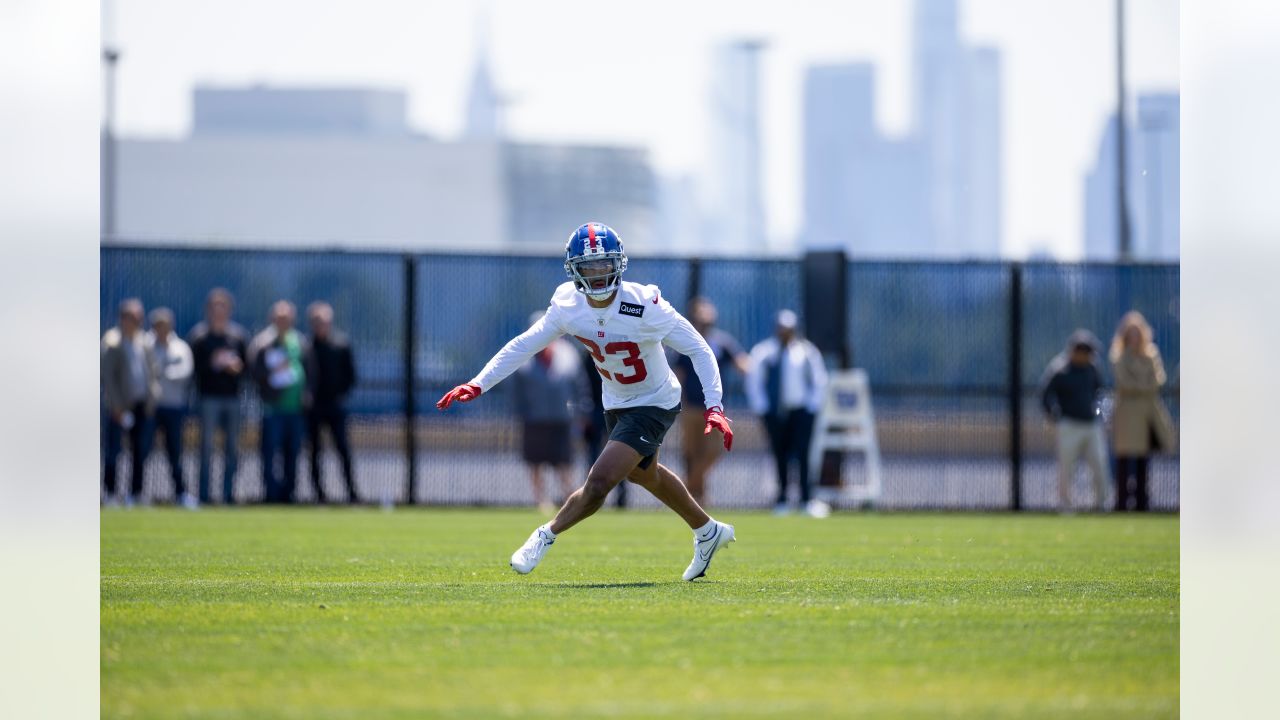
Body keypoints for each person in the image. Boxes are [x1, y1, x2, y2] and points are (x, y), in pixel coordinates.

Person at [436, 222, 736, 581]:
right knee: (645, 474)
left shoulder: (645, 304)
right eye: (589, 267)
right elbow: (524, 344)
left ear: (619, 265)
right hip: (617, 401)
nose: (597, 274)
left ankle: (543, 536)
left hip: (655, 400)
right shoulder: (567, 305)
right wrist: (479, 383)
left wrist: (715, 405)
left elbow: (699, 349)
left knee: (600, 481)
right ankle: (708, 531)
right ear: (574, 269)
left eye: (604, 265)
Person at [745, 310, 830, 517]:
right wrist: (763, 409)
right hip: (775, 412)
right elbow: (754, 383)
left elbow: (819, 381)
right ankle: (781, 499)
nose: (785, 333)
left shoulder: (807, 352)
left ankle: (806, 499)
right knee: (779, 455)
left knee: (803, 454)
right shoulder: (764, 352)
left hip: (801, 411)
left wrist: (811, 408)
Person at [669, 296, 750, 505]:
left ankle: (685, 489)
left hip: (713, 408)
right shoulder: (685, 341)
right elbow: (678, 375)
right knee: (691, 453)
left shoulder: (721, 341)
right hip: (691, 408)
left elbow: (742, 363)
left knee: (714, 450)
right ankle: (698, 497)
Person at [513, 311, 587, 513]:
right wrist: (520, 413)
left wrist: (582, 411)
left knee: (564, 461)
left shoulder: (568, 353)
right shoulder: (523, 356)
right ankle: (541, 500)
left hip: (562, 418)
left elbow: (579, 386)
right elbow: (517, 391)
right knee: (535, 462)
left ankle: (570, 498)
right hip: (534, 419)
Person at [1109, 311, 1176, 511]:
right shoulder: (1119, 356)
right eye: (1131, 333)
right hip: (1127, 414)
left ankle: (1142, 502)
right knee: (1124, 459)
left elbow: (1158, 381)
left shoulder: (1151, 354)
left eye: (1138, 333)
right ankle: (1121, 502)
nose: (1135, 338)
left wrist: (1140, 386)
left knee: (1142, 460)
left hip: (1148, 414)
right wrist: (1143, 385)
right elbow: (1124, 383)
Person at [1040, 329, 1113, 512]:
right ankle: (1065, 504)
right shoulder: (1060, 369)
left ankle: (1101, 504)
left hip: (1091, 425)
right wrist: (1054, 416)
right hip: (1069, 425)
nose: (1088, 356)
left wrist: (1101, 414)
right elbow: (1045, 395)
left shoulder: (1093, 368)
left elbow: (1101, 393)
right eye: (1085, 351)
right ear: (1074, 350)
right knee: (1067, 467)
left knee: (1099, 464)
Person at [188, 288, 249, 504]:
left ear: (229, 310)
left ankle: (228, 495)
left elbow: (247, 369)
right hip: (208, 399)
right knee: (206, 448)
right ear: (208, 310)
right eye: (215, 307)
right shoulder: (199, 337)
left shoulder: (238, 336)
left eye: (223, 307)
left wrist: (237, 367)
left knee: (232, 448)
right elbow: (192, 369)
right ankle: (203, 495)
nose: (219, 311)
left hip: (232, 399)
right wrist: (213, 364)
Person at [250, 301, 310, 504]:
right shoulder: (263, 342)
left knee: (292, 454)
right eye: (280, 318)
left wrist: (308, 392)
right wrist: (272, 374)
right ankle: (271, 495)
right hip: (272, 408)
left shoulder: (300, 341)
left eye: (287, 318)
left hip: (296, 409)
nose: (283, 322)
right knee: (269, 453)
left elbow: (311, 370)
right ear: (272, 319)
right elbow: (255, 373)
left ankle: (289, 494)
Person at [101, 298, 159, 506]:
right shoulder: (112, 341)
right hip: (120, 406)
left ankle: (136, 493)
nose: (136, 321)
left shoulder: (143, 342)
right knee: (114, 451)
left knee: (140, 450)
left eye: (139, 317)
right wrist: (116, 406)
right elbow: (108, 377)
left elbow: (151, 373)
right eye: (132, 317)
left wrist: (152, 399)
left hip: (141, 405)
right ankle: (110, 493)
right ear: (122, 318)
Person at [305, 301, 359, 503]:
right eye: (317, 322)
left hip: (336, 406)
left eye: (325, 321)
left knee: (343, 450)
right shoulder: (306, 347)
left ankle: (352, 493)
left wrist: (340, 394)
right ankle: (319, 495)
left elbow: (351, 376)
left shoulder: (341, 345)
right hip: (313, 407)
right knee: (314, 452)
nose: (321, 326)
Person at [145, 307, 197, 509]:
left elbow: (184, 372)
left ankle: (181, 493)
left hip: (174, 407)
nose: (162, 330)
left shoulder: (181, 347)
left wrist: (160, 372)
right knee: (143, 449)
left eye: (165, 326)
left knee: (175, 451)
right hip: (150, 406)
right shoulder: (145, 346)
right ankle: (138, 493)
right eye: (158, 326)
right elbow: (142, 372)